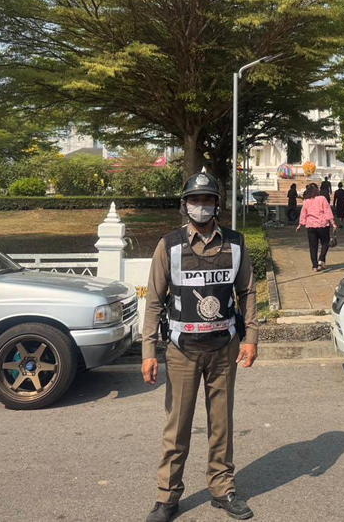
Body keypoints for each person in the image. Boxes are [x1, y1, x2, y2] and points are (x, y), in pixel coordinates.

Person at [142, 171, 259, 522]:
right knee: (177, 427)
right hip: (182, 351)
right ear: (185, 205)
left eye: (208, 200)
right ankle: (167, 496)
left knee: (221, 424)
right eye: (196, 200)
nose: (202, 206)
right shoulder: (169, 246)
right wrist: (149, 351)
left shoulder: (235, 244)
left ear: (217, 205)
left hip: (224, 349)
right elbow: (154, 301)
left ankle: (222, 489)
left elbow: (247, 292)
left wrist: (251, 338)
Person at [296, 183, 336, 272]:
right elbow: (327, 211)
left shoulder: (306, 201)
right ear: (317, 190)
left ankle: (315, 266)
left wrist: (300, 224)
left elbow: (303, 213)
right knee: (325, 242)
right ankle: (321, 259)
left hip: (310, 225)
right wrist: (333, 223)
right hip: (322, 224)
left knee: (313, 246)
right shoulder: (322, 199)